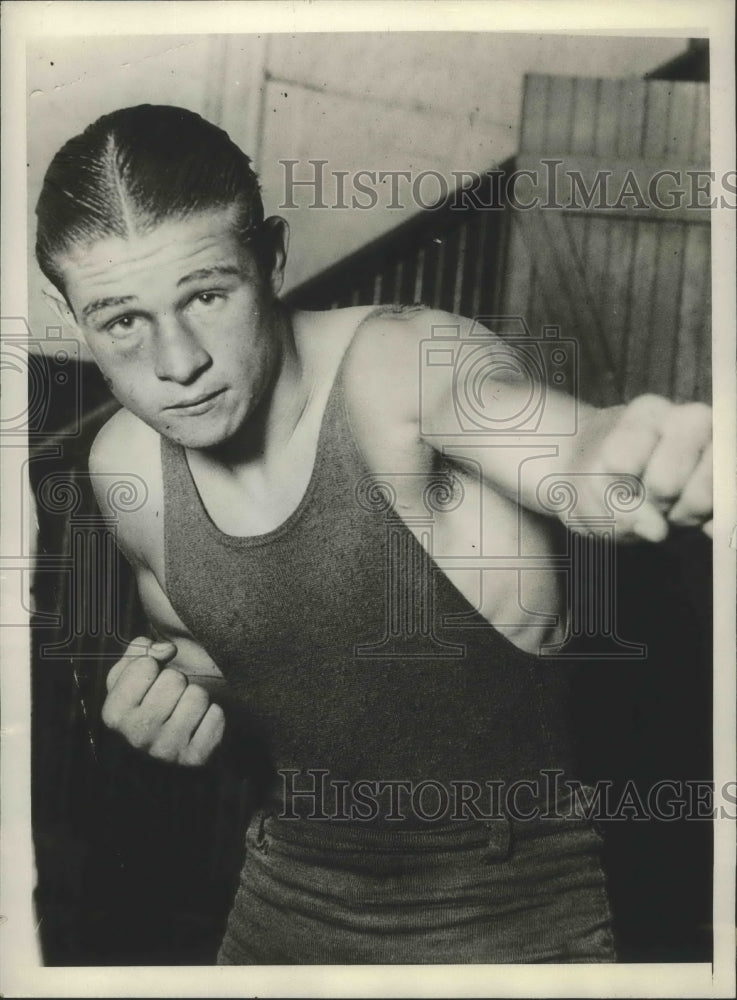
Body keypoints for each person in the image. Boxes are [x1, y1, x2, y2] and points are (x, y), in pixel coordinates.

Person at [35, 105, 712, 964]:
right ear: (74, 318)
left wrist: (636, 461)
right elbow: (230, 662)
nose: (177, 363)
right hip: (280, 910)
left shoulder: (405, 366)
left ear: (271, 259)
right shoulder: (124, 463)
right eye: (121, 320)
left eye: (206, 294)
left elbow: (569, 455)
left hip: (512, 919)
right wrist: (169, 703)